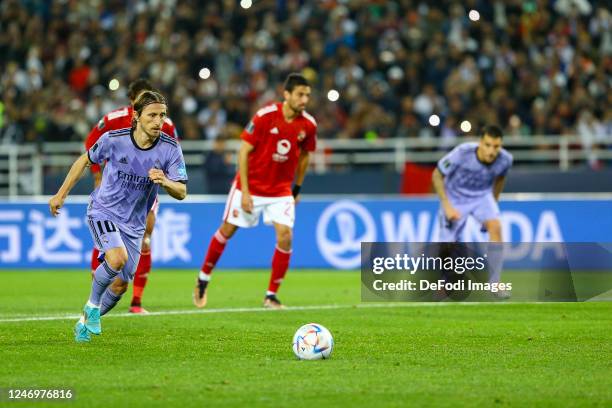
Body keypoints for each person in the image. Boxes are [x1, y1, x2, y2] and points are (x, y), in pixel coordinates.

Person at [49, 91, 188, 342]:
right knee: (117, 257)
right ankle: (92, 306)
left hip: (134, 225)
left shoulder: (170, 149)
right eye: (153, 115)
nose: (159, 121)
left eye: (163, 116)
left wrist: (165, 181)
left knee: (121, 285)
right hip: (103, 210)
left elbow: (182, 192)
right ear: (136, 116)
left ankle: (84, 322)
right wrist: (60, 194)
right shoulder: (114, 140)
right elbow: (84, 160)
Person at [193, 73, 317, 309]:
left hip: (280, 191)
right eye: (300, 94)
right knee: (227, 231)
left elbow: (305, 156)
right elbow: (243, 152)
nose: (304, 100)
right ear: (287, 94)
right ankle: (203, 279)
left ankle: (271, 295)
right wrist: (246, 192)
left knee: (286, 236)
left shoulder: (308, 125)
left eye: (307, 95)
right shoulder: (265, 116)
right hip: (250, 186)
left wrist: (297, 188)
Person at [85, 78, 179, 314]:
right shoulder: (114, 119)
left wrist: (166, 180)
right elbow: (90, 143)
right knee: (107, 241)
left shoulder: (164, 123)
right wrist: (97, 175)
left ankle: (136, 301)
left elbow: (173, 153)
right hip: (115, 190)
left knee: (146, 236)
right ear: (133, 103)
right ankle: (97, 285)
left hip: (144, 191)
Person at [431, 125, 513, 298]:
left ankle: (495, 284)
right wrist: (446, 205)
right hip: (455, 197)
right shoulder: (462, 153)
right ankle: (444, 283)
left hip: (481, 197)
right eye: (488, 145)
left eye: (496, 146)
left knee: (496, 227)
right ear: (480, 143)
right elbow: (437, 175)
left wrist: (493, 205)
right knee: (447, 244)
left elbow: (500, 179)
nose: (491, 151)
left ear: (501, 146)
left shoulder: (505, 160)